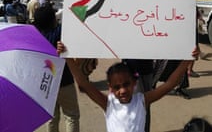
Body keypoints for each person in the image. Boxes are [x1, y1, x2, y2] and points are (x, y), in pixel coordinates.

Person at [61, 44, 198, 132]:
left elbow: (170, 84)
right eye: (117, 87)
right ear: (111, 88)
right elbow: (83, 83)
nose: (123, 90)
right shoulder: (108, 104)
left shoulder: (142, 101)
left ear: (134, 83)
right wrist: (66, 57)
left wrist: (188, 58)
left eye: (126, 84)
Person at [33, 5, 80, 132]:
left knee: (51, 117)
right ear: (53, 19)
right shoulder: (60, 32)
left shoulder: (35, 36)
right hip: (64, 81)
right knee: (71, 116)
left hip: (45, 83)